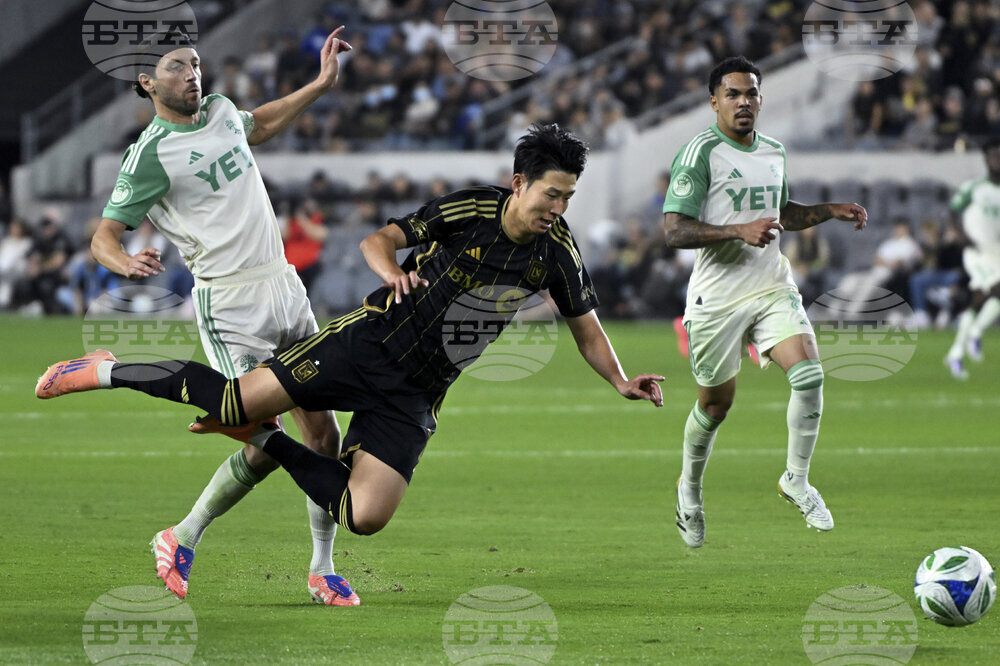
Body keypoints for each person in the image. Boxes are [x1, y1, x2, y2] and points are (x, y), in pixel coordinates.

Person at [37, 123, 664, 552]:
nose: (558, 208)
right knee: (231, 405)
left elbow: (585, 326)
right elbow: (379, 240)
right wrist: (392, 270)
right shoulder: (470, 209)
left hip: (417, 391)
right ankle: (103, 369)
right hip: (366, 343)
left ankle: (275, 451)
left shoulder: (557, 252)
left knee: (365, 516)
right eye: (551, 194)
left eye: (568, 197)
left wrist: (619, 379)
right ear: (520, 182)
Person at [87, 26, 359, 606]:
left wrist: (319, 83)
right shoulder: (148, 157)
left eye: (195, 63)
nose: (193, 74)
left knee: (324, 432)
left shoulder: (220, 111)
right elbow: (104, 236)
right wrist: (125, 263)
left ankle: (322, 566)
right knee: (265, 438)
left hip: (284, 285)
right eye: (178, 67)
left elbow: (257, 123)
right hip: (230, 304)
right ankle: (183, 535)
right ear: (147, 82)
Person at [661, 56, 868, 548]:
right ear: (714, 102)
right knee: (716, 405)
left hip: (772, 285)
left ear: (761, 99)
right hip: (717, 299)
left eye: (751, 93)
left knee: (811, 374)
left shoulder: (774, 151)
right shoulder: (699, 154)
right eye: (732, 94)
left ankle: (796, 478)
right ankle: (688, 488)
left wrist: (827, 211)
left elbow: (780, 214)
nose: (743, 102)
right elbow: (673, 229)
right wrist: (737, 230)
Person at [945, 137, 1000, 379]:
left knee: (979, 300)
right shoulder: (975, 187)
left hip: (996, 251)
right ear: (986, 160)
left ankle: (956, 352)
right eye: (993, 156)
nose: (997, 160)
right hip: (977, 251)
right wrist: (963, 237)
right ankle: (975, 334)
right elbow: (954, 212)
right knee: (996, 291)